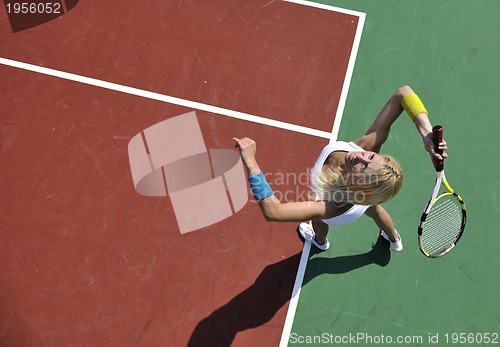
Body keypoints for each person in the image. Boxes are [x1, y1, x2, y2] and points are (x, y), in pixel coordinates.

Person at [233, 85, 447, 252]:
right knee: (375, 210)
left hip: (346, 212)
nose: (360, 157)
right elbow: (403, 93)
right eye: (371, 156)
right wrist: (426, 132)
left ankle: (320, 241)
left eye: (363, 168)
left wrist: (251, 162)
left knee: (318, 219)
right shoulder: (366, 146)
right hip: (368, 201)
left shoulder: (333, 204)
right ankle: (394, 238)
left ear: (359, 187)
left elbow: (274, 212)